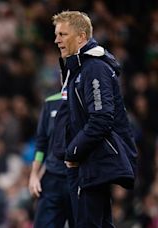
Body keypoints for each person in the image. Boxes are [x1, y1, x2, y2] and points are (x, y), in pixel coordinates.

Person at [52, 11, 137, 227]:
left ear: (81, 37)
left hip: (90, 163)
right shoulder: (78, 68)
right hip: (87, 162)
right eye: (57, 34)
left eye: (63, 34)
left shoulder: (94, 68)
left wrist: (73, 151)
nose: (57, 40)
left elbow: (101, 118)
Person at [29, 92, 75, 228]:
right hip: (52, 178)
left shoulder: (87, 99)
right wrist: (34, 175)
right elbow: (41, 142)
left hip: (79, 178)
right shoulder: (50, 102)